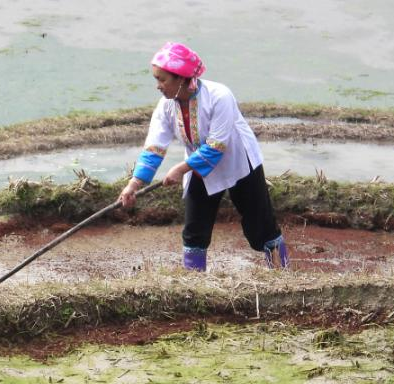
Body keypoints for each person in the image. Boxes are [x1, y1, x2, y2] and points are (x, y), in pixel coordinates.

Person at [117, 42, 290, 271]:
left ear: (181, 78)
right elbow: (154, 148)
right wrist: (134, 184)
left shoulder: (220, 96)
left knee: (261, 227)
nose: (158, 86)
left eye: (162, 79)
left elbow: (217, 146)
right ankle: (194, 284)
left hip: (238, 163)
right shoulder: (166, 106)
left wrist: (179, 169)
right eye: (156, 79)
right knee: (194, 230)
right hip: (197, 166)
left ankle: (282, 274)